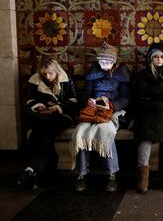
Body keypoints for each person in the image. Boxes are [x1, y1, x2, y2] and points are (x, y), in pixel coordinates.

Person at [72, 42, 129, 192]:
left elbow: (126, 98)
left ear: (114, 61)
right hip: (92, 111)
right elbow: (85, 95)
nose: (104, 65)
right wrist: (88, 101)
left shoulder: (122, 73)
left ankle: (111, 175)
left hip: (113, 111)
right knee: (81, 132)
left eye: (107, 62)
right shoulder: (93, 73)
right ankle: (81, 174)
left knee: (106, 131)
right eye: (101, 62)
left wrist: (111, 105)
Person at [17, 57, 78, 190]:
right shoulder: (35, 78)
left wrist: (57, 108)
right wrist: (39, 106)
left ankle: (31, 169)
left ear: (56, 71)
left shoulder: (66, 78)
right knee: (45, 130)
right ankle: (37, 173)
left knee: (39, 131)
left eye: (50, 73)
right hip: (42, 116)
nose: (48, 76)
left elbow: (74, 100)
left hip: (62, 116)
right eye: (45, 73)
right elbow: (28, 99)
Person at [132, 43, 163, 193]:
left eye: (161, 56)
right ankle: (143, 178)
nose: (159, 59)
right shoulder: (141, 75)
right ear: (150, 58)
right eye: (156, 56)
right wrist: (162, 92)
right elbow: (138, 98)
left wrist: (152, 95)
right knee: (145, 139)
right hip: (147, 114)